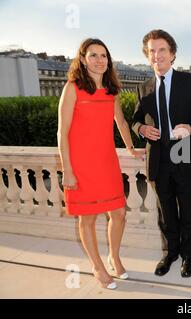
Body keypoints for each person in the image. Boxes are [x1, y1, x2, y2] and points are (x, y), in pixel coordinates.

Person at [57, 38, 144, 290]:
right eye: (93, 55)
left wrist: (129, 147)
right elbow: (62, 132)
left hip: (106, 162)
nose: (99, 60)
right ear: (83, 59)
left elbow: (122, 122)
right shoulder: (72, 88)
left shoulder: (112, 90)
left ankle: (114, 256)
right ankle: (97, 266)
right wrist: (67, 170)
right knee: (88, 219)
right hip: (81, 164)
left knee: (118, 213)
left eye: (103, 55)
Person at [132, 29, 191, 278]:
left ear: (173, 54)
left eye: (162, 50)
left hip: (186, 157)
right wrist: (141, 129)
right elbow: (135, 120)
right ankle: (171, 253)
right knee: (166, 214)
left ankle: (189, 256)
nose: (157, 55)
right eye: (152, 51)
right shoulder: (143, 88)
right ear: (148, 56)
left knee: (189, 211)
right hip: (158, 161)